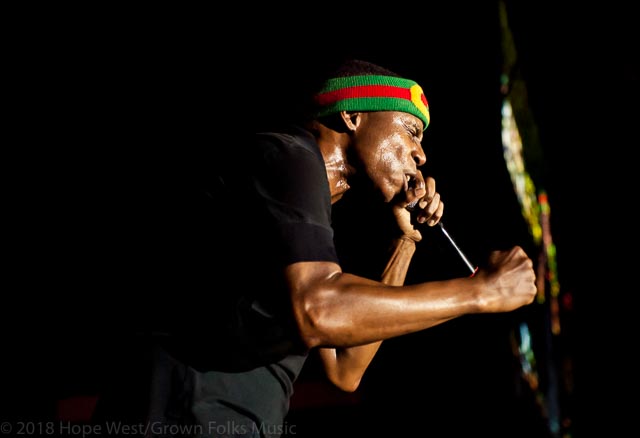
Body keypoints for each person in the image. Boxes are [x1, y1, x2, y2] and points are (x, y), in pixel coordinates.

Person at [94, 58, 536, 438]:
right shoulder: (286, 153)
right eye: (410, 130)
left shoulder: (303, 223)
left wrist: (405, 241)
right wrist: (482, 293)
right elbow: (318, 311)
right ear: (353, 116)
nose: (421, 154)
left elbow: (346, 368)